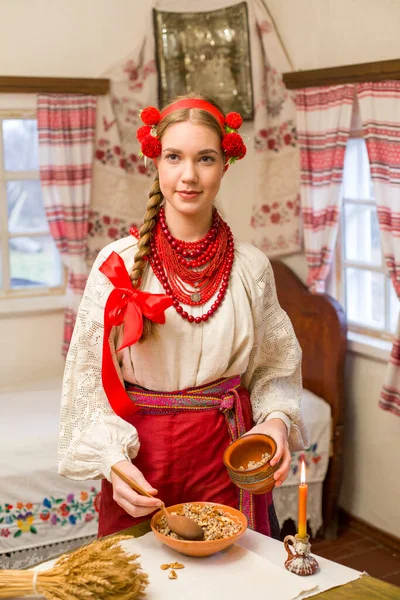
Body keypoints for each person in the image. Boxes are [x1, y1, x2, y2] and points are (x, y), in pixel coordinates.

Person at [58, 94, 309, 539]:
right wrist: (112, 462)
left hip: (227, 457)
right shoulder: (115, 264)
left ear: (226, 164)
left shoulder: (251, 268)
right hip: (139, 465)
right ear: (155, 160)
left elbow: (275, 367)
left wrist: (275, 420)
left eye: (205, 158)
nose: (189, 175)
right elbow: (87, 383)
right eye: (174, 156)